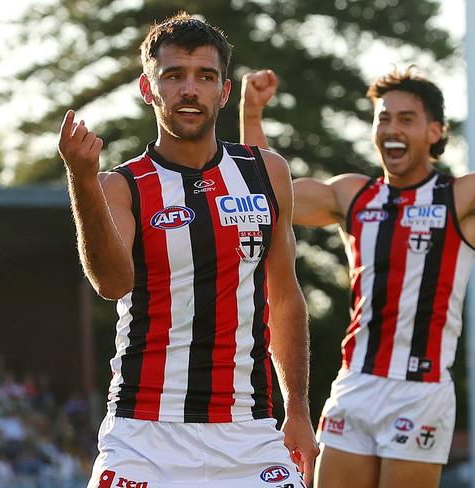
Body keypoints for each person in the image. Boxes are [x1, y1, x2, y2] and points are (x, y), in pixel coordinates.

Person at [240, 67, 475, 488]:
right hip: (355, 383)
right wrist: (251, 114)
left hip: (421, 391)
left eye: (406, 119)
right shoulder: (354, 195)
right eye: (383, 118)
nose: (391, 128)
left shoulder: (464, 197)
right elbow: (265, 197)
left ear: (435, 131)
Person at [57, 12, 319, 488]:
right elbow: (111, 283)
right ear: (147, 88)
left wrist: (297, 409)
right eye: (174, 76)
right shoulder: (122, 185)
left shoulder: (268, 173)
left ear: (224, 91)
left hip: (249, 431)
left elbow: (284, 296)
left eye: (205, 77)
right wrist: (82, 180)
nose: (189, 89)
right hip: (144, 433)